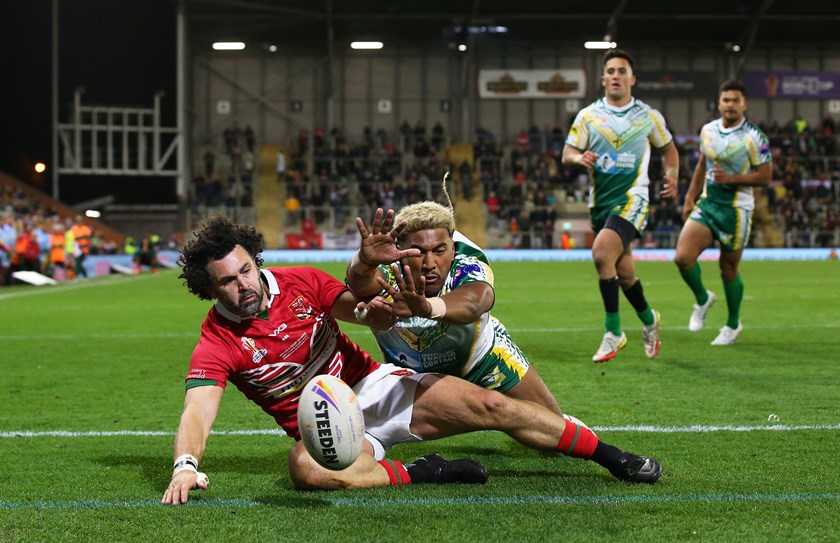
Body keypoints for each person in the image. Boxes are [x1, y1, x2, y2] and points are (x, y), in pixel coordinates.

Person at [162, 216, 662, 505]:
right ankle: (431, 472)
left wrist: (373, 315)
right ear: (209, 288)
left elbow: (356, 309)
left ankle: (613, 457)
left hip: (380, 389)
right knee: (305, 472)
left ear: (255, 261)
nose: (242, 285)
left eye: (245, 270)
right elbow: (198, 410)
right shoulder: (216, 341)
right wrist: (186, 465)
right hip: (332, 432)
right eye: (227, 281)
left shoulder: (301, 282)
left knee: (494, 409)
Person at [345, 199, 562, 416]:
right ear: (400, 249)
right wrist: (363, 262)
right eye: (418, 252)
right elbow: (361, 285)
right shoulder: (387, 263)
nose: (429, 263)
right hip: (410, 374)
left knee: (553, 422)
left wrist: (427, 307)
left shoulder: (468, 260)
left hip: (482, 360)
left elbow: (475, 302)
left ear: (453, 249)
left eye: (439, 251)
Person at [562, 48, 679, 363]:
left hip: (632, 198)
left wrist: (672, 176)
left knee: (601, 253)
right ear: (603, 79)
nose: (616, 76)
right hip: (600, 204)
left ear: (632, 78)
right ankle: (649, 320)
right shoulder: (588, 116)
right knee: (624, 273)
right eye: (611, 71)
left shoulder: (648, 117)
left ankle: (613, 332)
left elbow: (669, 150)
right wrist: (578, 157)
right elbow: (568, 152)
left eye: (621, 71)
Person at [674, 80, 772, 345]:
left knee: (728, 269)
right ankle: (703, 299)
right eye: (726, 100)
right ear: (719, 103)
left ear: (744, 104)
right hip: (708, 204)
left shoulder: (755, 137)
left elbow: (765, 176)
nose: (730, 105)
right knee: (683, 258)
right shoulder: (708, 130)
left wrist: (731, 179)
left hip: (736, 210)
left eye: (735, 100)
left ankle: (732, 324)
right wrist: (689, 195)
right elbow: (703, 162)